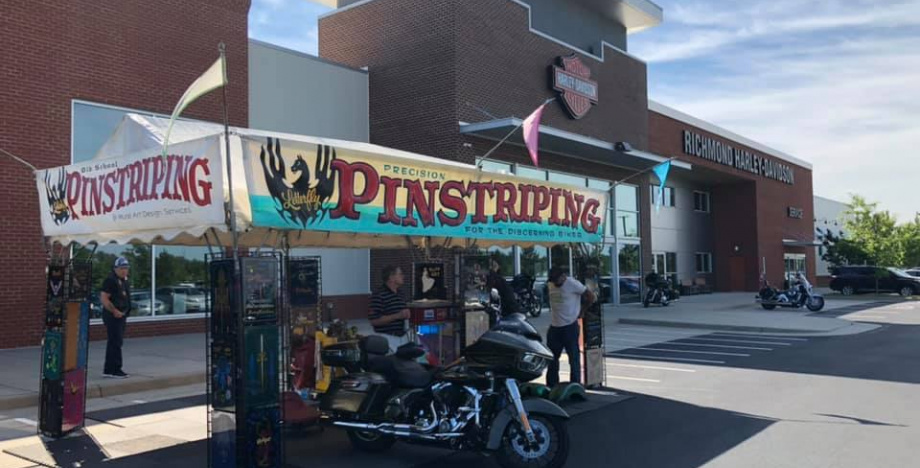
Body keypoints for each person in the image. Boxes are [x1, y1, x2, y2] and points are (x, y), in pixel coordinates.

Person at [546, 266, 596, 388]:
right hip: (555, 326)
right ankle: (552, 384)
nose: (555, 283)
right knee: (552, 358)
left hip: (569, 326)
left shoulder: (573, 284)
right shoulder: (551, 285)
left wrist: (582, 310)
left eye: (557, 280)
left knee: (573, 357)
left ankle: (575, 384)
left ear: (563, 277)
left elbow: (590, 296)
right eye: (553, 281)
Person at [100, 257, 131, 379]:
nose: (124, 271)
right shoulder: (110, 280)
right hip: (112, 315)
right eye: (122, 268)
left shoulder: (124, 281)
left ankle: (109, 369)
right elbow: (104, 298)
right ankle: (115, 369)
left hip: (122, 315)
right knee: (115, 342)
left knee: (116, 341)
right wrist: (114, 310)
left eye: (126, 268)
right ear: (115, 268)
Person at [369, 265, 412, 353]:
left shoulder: (401, 294)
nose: (403, 277)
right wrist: (397, 316)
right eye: (400, 274)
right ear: (391, 277)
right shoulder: (379, 295)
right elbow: (374, 320)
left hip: (403, 337)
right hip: (388, 338)